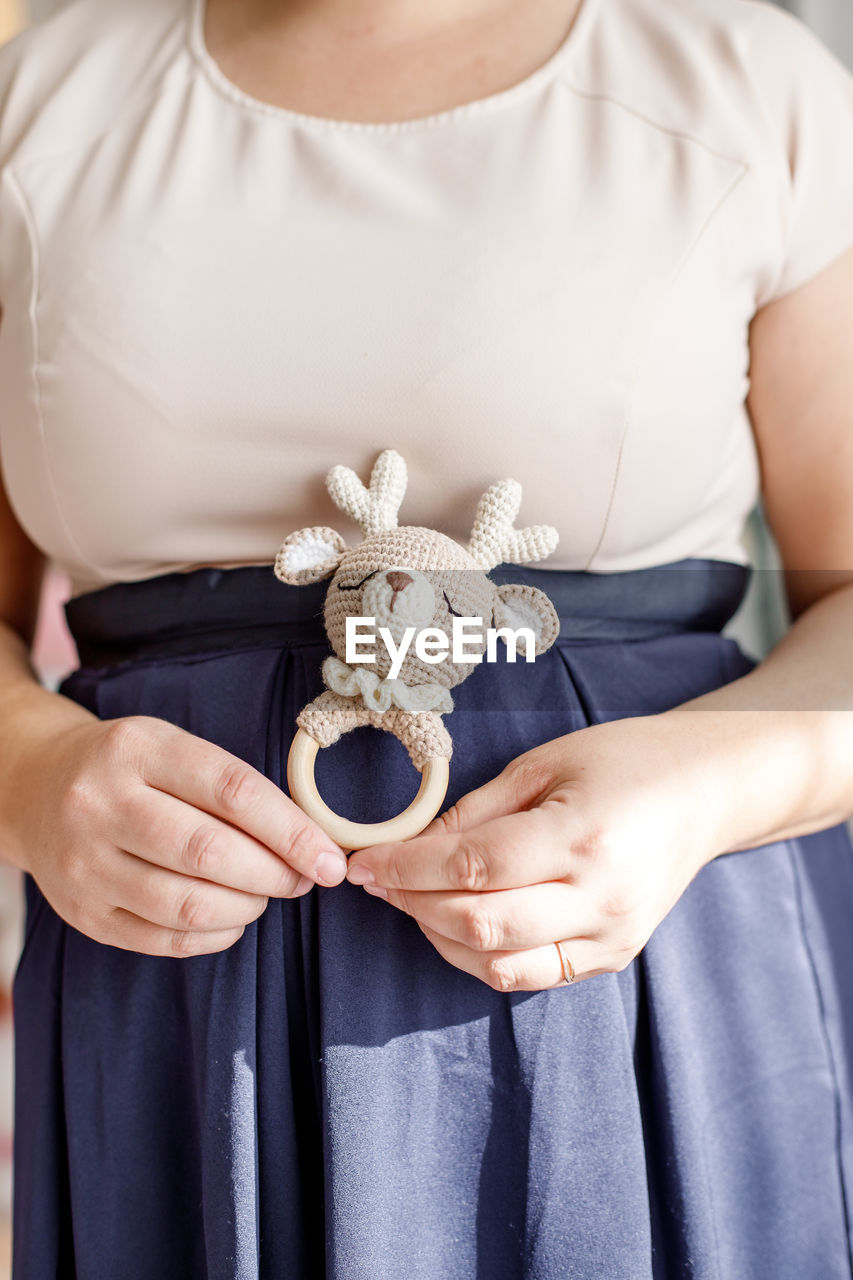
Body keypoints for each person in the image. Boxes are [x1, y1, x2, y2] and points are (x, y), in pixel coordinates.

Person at [1, 0, 853, 1274]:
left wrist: (704, 789)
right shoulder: (38, 102)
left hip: (647, 975)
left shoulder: (747, 83)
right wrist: (27, 770)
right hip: (171, 1008)